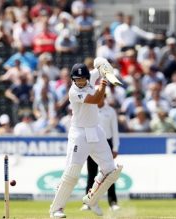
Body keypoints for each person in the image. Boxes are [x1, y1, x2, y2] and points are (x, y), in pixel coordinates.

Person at [49, 60, 123, 218]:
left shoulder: (90, 77)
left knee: (111, 170)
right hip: (79, 134)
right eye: (78, 79)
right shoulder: (74, 92)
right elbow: (96, 99)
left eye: (83, 79)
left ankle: (91, 200)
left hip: (96, 131)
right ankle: (56, 209)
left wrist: (104, 65)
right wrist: (103, 83)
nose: (81, 82)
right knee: (72, 173)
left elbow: (99, 66)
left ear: (87, 78)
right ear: (73, 79)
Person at [81, 94, 120, 213]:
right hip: (92, 142)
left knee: (109, 173)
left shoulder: (111, 111)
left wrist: (115, 148)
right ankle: (89, 202)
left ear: (104, 97)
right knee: (91, 174)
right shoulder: (89, 109)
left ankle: (112, 202)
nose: (99, 98)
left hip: (106, 143)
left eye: (101, 96)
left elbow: (115, 130)